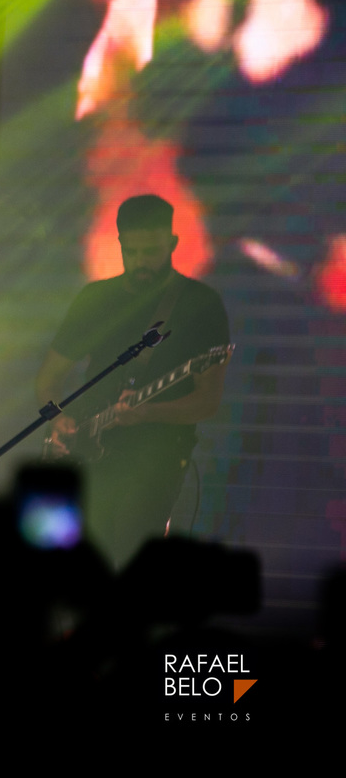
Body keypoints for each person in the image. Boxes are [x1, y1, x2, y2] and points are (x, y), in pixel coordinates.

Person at [35, 194, 230, 570]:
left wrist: (149, 412)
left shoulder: (200, 304)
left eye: (151, 252)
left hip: (155, 453)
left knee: (128, 555)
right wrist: (58, 420)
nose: (141, 262)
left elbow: (207, 402)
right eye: (132, 251)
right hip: (86, 446)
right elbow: (48, 380)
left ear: (172, 243)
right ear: (120, 244)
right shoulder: (95, 299)